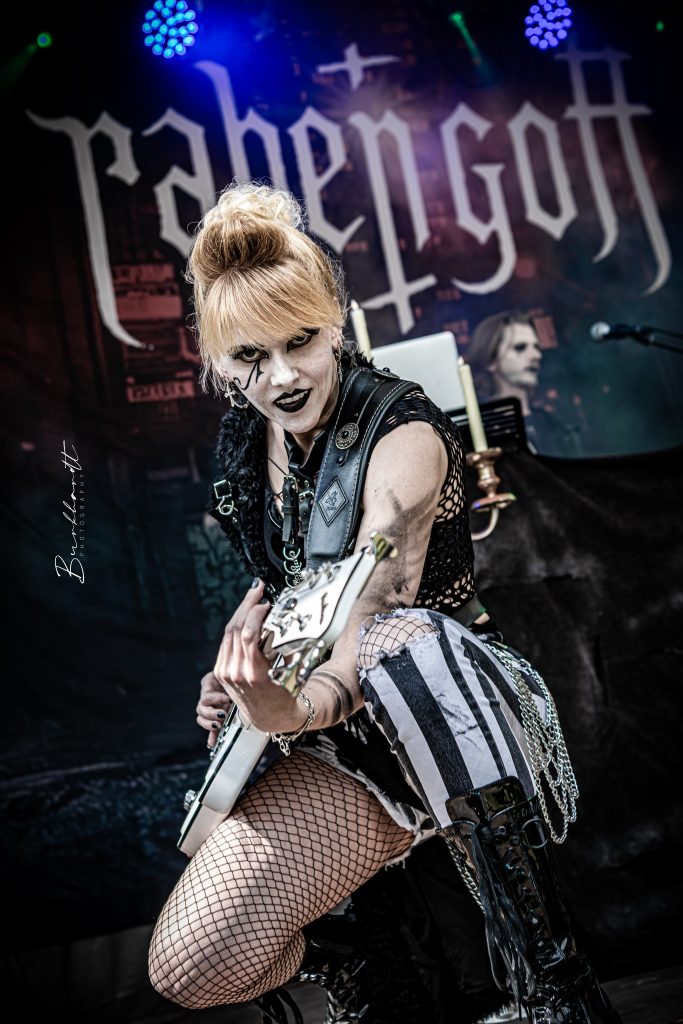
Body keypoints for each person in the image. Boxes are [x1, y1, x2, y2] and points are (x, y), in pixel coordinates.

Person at [147, 182, 621, 1024]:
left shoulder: (401, 432)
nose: (281, 376)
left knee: (399, 643)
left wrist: (292, 710)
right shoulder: (244, 441)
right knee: (192, 965)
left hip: (445, 710)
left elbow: (373, 607)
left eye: (301, 341)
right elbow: (286, 573)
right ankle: (367, 965)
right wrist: (243, 666)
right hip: (337, 744)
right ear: (216, 361)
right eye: (249, 357)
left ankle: (554, 991)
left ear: (338, 321)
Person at [467, 312, 581, 457]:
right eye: (520, 347)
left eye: (536, 347)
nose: (536, 355)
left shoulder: (555, 424)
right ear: (491, 361)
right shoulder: (481, 431)